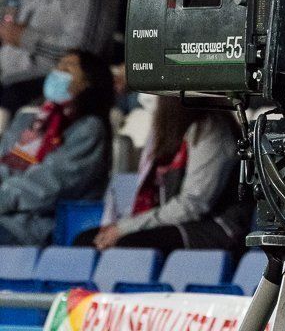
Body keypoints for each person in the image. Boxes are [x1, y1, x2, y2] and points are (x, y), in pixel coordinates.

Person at [74, 96, 251, 254]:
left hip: (215, 228)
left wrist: (125, 228)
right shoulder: (168, 132)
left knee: (129, 245)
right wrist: (123, 226)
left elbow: (193, 204)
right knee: (85, 240)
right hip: (176, 221)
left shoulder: (210, 129)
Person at [0, 51, 114, 245]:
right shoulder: (29, 120)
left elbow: (48, 185)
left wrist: (4, 198)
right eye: (57, 66)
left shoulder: (89, 130)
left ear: (88, 82)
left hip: (37, 227)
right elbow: (4, 166)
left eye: (67, 68)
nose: (57, 72)